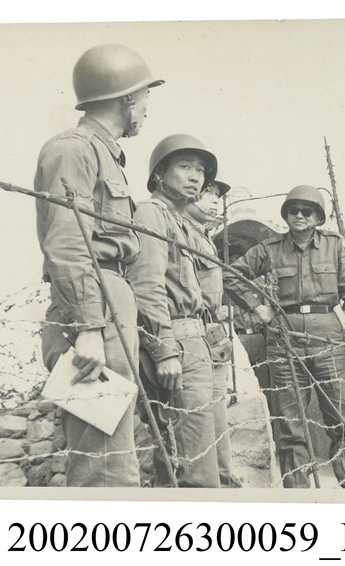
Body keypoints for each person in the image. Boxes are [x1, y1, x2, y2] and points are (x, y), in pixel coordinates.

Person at [34, 44, 163, 487]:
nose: (146, 108)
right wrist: (88, 326)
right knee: (103, 465)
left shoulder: (104, 153)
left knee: (114, 453)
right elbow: (68, 243)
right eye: (144, 96)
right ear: (127, 98)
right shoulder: (74, 150)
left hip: (108, 301)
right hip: (94, 305)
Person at [223, 185, 345, 488]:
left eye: (307, 211)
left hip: (327, 335)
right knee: (289, 421)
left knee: (339, 413)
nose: (299, 216)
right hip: (284, 337)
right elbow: (229, 274)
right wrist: (257, 307)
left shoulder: (334, 247)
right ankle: (297, 491)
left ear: (318, 217)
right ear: (286, 215)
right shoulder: (270, 249)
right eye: (293, 210)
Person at [126, 134, 220, 487]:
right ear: (159, 174)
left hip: (196, 344)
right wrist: (164, 350)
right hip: (176, 343)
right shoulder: (152, 213)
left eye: (200, 170)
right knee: (195, 470)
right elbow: (146, 285)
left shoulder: (182, 222)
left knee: (186, 459)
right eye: (185, 166)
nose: (195, 176)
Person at [183, 179, 243, 487]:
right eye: (208, 194)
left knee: (217, 406)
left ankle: (223, 478)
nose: (215, 201)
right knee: (199, 412)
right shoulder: (178, 230)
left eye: (218, 197)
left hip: (211, 329)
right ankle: (207, 484)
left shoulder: (204, 237)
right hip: (190, 328)